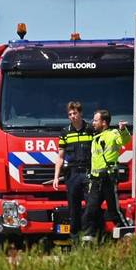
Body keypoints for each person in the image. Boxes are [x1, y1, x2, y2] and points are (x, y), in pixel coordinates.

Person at [50, 101, 95, 244]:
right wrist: (56, 177)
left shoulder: (90, 130)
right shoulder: (65, 132)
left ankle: (90, 237)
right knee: (73, 208)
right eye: (70, 114)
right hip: (72, 174)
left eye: (75, 113)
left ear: (81, 113)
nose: (72, 116)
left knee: (90, 206)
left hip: (88, 172)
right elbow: (60, 157)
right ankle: (75, 239)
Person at [86, 109, 132, 242]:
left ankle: (127, 232)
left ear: (104, 122)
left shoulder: (113, 134)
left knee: (113, 210)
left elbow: (125, 141)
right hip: (96, 180)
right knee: (91, 208)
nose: (93, 123)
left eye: (96, 120)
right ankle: (90, 236)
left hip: (108, 178)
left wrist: (123, 130)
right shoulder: (95, 138)